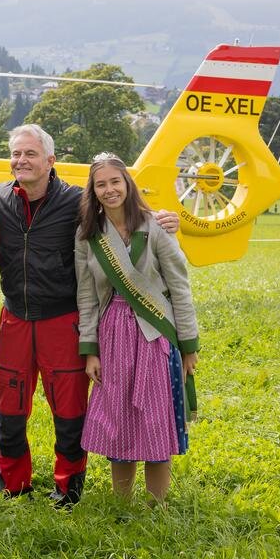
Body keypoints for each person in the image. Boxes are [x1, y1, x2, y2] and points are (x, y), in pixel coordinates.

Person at [0, 125, 178, 507]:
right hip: (15, 317)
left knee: (70, 410)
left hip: (62, 319)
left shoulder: (77, 203)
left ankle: (68, 488)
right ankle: (13, 484)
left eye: (30, 154)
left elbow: (121, 217)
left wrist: (161, 220)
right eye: (16, 154)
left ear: (50, 160)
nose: (21, 161)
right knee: (10, 406)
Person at [75, 153, 199, 502]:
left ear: (128, 184)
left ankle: (157, 505)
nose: (109, 189)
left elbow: (180, 287)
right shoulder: (88, 235)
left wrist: (189, 346)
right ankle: (121, 504)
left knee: (156, 417)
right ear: (93, 191)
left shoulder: (155, 225)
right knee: (119, 418)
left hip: (155, 332)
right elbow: (86, 295)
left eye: (115, 181)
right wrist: (90, 350)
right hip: (113, 334)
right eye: (101, 184)